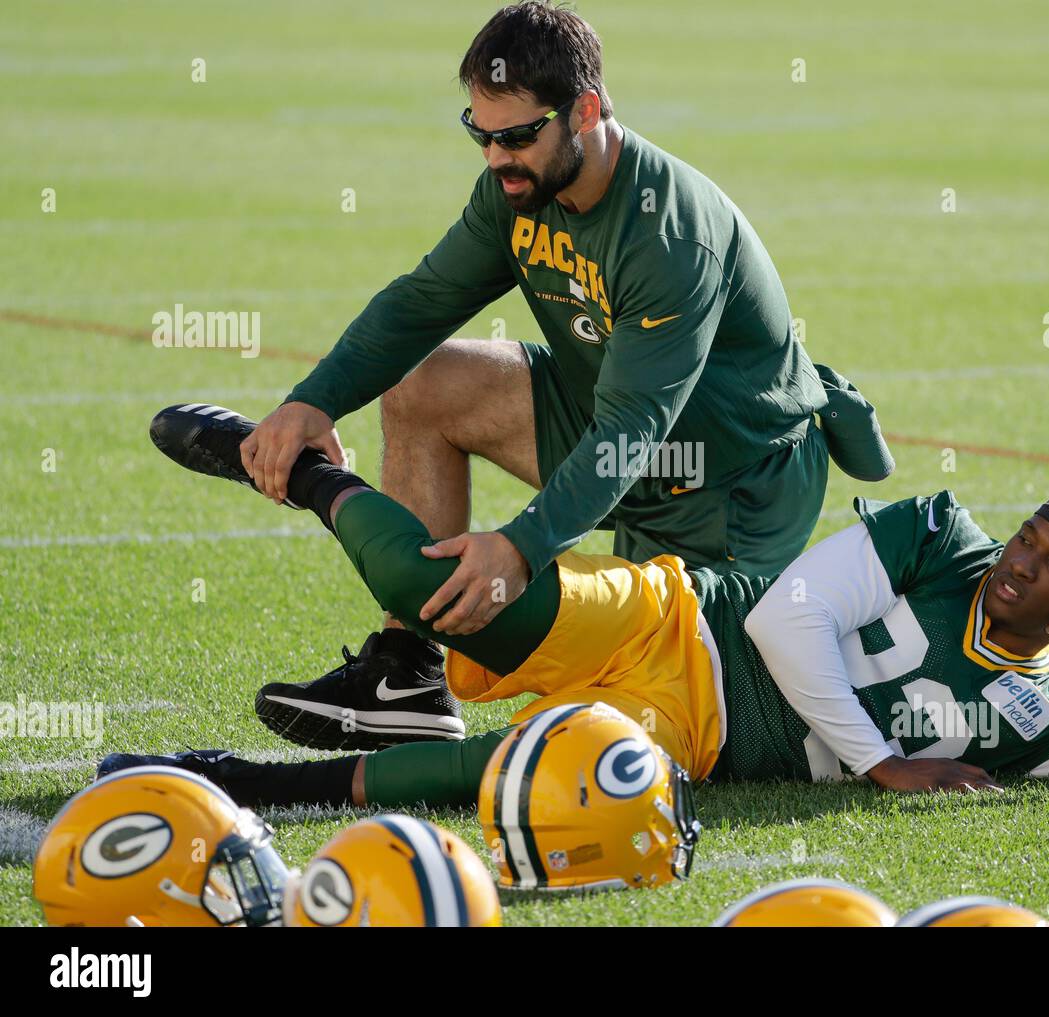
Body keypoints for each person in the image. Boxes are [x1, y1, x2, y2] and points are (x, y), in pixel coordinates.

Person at [233, 1, 892, 751]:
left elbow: (632, 430)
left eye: (516, 136)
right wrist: (311, 400)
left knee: (678, 727)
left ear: (584, 109)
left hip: (730, 488)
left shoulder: (669, 234)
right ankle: (408, 676)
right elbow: (424, 300)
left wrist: (522, 545)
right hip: (611, 423)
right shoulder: (516, 189)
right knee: (424, 386)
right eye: (479, 134)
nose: (496, 158)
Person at [107, 402, 1049, 804]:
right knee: (441, 590)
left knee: (508, 777)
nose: (1015, 564)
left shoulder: (1039, 723)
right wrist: (880, 762)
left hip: (694, 740)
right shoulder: (942, 535)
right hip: (673, 617)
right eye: (1027, 538)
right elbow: (780, 620)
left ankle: (232, 778)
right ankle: (306, 469)